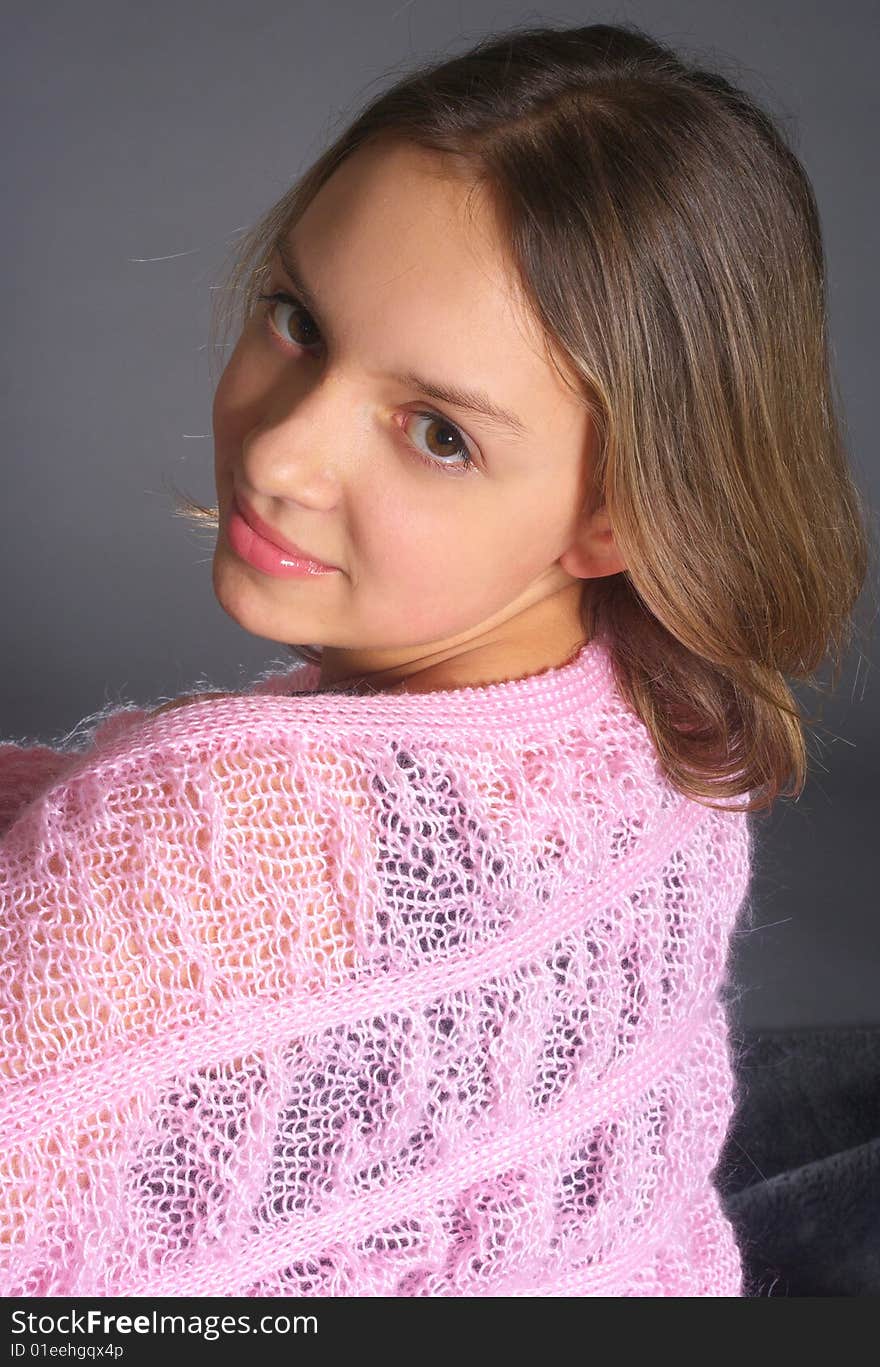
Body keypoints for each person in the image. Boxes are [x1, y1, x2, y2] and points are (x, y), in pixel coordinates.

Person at [0, 20, 873, 1297]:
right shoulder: (675, 719)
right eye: (298, 318)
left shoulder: (215, 839)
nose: (282, 457)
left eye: (438, 434)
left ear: (621, 513)